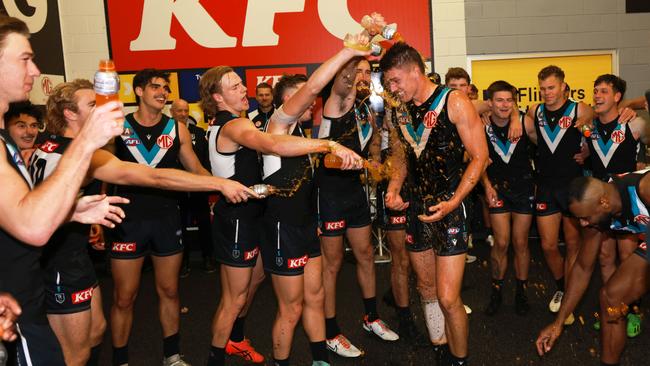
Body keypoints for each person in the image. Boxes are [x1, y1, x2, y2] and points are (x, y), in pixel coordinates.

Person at [31, 80, 252, 366]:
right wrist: (220, 183)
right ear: (69, 114)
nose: (102, 109)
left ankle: (171, 355)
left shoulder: (52, 146)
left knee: (96, 329)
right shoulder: (75, 153)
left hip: (75, 252)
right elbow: (155, 177)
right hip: (57, 258)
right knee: (75, 351)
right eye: (92, 105)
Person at [198, 64, 361, 366]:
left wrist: (217, 183)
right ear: (217, 97)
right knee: (237, 300)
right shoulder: (237, 126)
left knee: (261, 290)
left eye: (239, 84)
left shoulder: (252, 125)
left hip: (263, 218)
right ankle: (217, 356)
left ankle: (240, 340)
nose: (243, 89)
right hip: (239, 222)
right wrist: (329, 144)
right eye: (234, 86)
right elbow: (272, 143)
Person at [0, 14, 125, 366]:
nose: (36, 70)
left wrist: (71, 211)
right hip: (21, 311)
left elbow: (16, 211)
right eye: (25, 59)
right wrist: (86, 141)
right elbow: (32, 226)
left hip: (21, 299)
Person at [108, 69, 253, 366]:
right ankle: (120, 360)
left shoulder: (177, 128)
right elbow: (102, 172)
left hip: (166, 219)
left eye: (165, 87)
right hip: (126, 221)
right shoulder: (117, 127)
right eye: (154, 87)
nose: (162, 92)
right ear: (137, 91)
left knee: (170, 291)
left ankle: (172, 355)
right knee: (124, 296)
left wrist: (222, 185)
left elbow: (196, 170)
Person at [262, 36, 372, 366]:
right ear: (285, 102)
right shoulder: (276, 126)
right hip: (282, 229)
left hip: (307, 226)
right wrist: (348, 52)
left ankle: (319, 359)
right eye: (299, 98)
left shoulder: (305, 137)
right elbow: (313, 88)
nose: (309, 103)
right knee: (290, 308)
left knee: (316, 297)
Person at [380, 42, 489, 366]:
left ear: (415, 70)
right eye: (388, 84)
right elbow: (401, 154)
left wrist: (454, 201)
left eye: (396, 81)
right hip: (417, 209)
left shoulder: (453, 101)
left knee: (447, 296)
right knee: (426, 290)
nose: (392, 88)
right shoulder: (397, 109)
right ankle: (441, 349)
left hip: (451, 209)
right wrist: (395, 188)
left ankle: (460, 359)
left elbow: (481, 156)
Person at [317, 54, 399, 357]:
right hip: (329, 196)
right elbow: (341, 86)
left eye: (367, 72)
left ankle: (371, 317)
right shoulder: (334, 103)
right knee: (333, 263)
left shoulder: (366, 109)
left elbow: (374, 141)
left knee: (366, 254)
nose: (363, 77)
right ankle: (330, 332)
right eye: (357, 72)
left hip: (355, 194)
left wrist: (376, 161)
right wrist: (352, 58)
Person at [536, 173, 650, 365]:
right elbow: (582, 268)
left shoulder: (644, 189)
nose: (583, 223)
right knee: (611, 298)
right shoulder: (595, 215)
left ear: (604, 203)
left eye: (585, 218)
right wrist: (558, 323)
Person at [526, 65, 593, 322]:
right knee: (549, 245)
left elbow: (597, 131)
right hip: (545, 184)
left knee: (574, 243)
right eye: (542, 88)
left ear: (564, 86)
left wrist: (587, 149)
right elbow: (526, 129)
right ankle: (564, 287)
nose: (546, 93)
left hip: (572, 185)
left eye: (551, 87)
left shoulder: (580, 108)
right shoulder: (535, 110)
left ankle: (569, 294)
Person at [585, 74, 648, 335]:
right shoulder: (587, 126)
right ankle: (612, 306)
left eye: (603, 91)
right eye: (595, 91)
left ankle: (633, 310)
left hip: (627, 204)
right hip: (602, 203)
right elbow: (588, 153)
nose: (597, 96)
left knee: (628, 258)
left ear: (617, 96)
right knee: (604, 256)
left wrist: (630, 108)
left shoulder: (635, 125)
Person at [480, 81, 534, 316]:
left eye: (509, 100)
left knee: (521, 242)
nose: (504, 105)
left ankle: (521, 291)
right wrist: (487, 186)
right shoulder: (480, 125)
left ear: (514, 102)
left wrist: (516, 117)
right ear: (490, 102)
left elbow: (551, 149)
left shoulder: (525, 122)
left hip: (523, 188)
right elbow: (476, 159)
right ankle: (496, 291)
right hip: (497, 189)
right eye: (499, 100)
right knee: (501, 242)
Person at [170, 99, 216, 275]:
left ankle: (208, 258)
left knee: (204, 222)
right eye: (179, 111)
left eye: (185, 110)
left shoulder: (198, 132)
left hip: (198, 187)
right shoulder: (166, 134)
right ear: (172, 113)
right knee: (179, 225)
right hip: (176, 188)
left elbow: (205, 160)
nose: (183, 114)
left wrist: (207, 182)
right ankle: (183, 261)